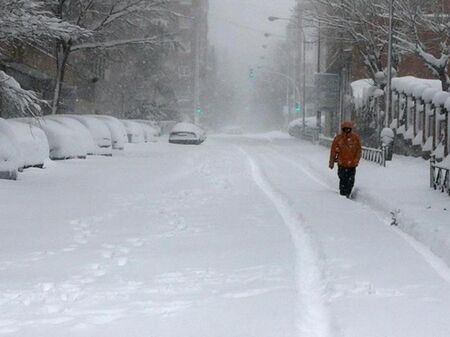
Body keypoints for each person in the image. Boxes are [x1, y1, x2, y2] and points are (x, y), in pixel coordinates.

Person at [329, 121, 362, 197]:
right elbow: (333, 151)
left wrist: (356, 161)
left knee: (350, 181)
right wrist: (331, 162)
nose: (347, 131)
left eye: (348, 129)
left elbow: (358, 151)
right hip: (342, 164)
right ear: (342, 129)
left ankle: (347, 193)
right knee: (342, 179)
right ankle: (343, 194)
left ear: (351, 129)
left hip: (352, 165)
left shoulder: (355, 139)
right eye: (345, 129)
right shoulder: (338, 139)